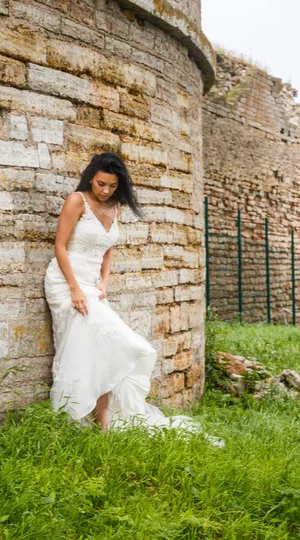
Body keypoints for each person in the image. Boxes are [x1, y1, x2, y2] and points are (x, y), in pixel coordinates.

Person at [44, 152, 223, 446]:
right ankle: (73, 415)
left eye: (112, 186)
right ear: (91, 176)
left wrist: (103, 282)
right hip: (66, 283)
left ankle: (102, 425)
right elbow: (60, 246)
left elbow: (108, 248)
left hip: (93, 286)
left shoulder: (115, 208)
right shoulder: (77, 200)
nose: (105, 191)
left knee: (103, 351)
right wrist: (75, 288)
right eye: (101, 184)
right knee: (108, 344)